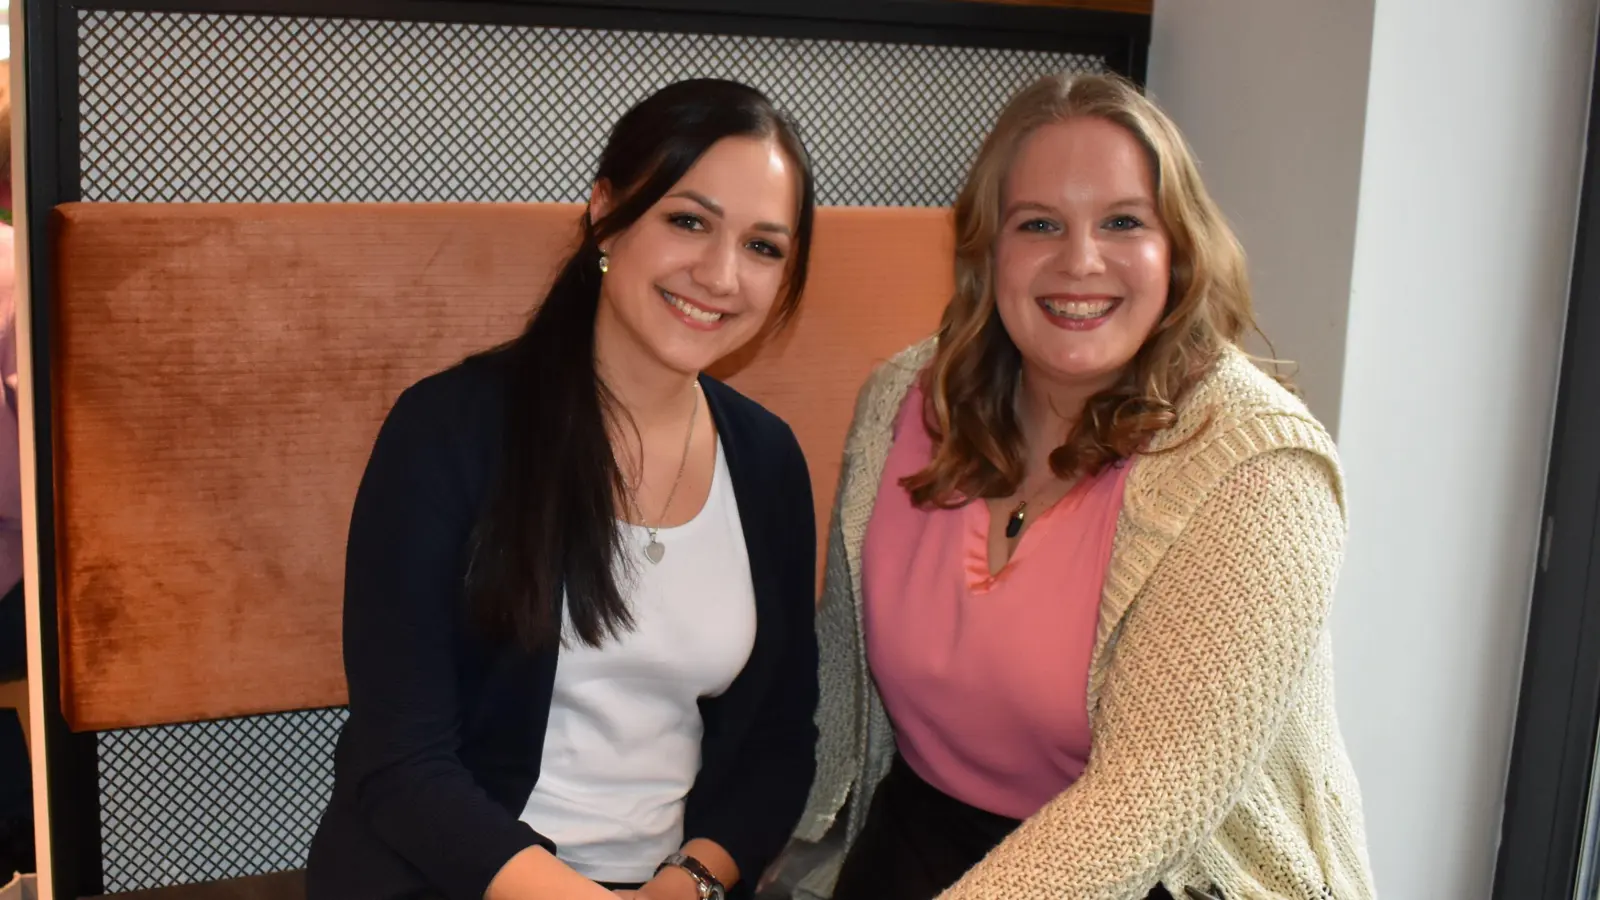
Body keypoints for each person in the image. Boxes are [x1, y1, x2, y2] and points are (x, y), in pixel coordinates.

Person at [792, 73, 1376, 900]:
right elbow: (834, 691)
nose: (1080, 261)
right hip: (920, 844)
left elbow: (1146, 803)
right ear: (988, 250)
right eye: (1038, 224)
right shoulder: (902, 402)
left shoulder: (1264, 472)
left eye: (1123, 222)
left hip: (1164, 876)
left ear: (1178, 250)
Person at [307, 79, 820, 900]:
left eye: (763, 247)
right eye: (688, 221)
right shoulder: (448, 431)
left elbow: (779, 741)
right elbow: (401, 762)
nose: (722, 275)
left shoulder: (768, 461)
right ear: (606, 213)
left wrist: (690, 880)